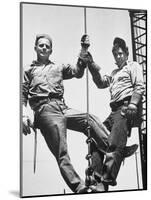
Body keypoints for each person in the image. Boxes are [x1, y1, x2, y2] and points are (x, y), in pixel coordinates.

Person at [22, 34, 112, 193]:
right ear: (35, 48)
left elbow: (77, 71)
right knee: (62, 152)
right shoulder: (29, 70)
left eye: (47, 46)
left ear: (51, 50)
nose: (44, 48)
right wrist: (23, 115)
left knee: (89, 119)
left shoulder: (58, 67)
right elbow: (22, 94)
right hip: (45, 110)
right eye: (41, 45)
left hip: (62, 106)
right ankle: (79, 188)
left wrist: (83, 49)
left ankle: (114, 150)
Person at [86, 37, 145, 186]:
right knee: (96, 138)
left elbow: (139, 86)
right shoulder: (113, 72)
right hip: (113, 111)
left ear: (126, 53)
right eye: (115, 54)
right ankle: (97, 175)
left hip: (126, 108)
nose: (118, 57)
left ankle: (108, 176)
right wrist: (91, 64)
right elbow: (100, 83)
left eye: (120, 53)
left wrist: (133, 104)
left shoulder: (133, 66)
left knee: (113, 143)